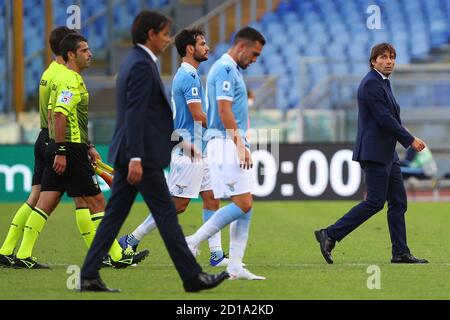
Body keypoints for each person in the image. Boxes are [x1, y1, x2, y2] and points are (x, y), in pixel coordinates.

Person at [79, 10, 228, 293]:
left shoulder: (138, 63)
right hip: (141, 155)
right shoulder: (141, 65)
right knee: (169, 212)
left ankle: (89, 274)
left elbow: (152, 115)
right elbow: (135, 114)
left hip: (138, 151)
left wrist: (179, 142)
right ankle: (192, 276)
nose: (167, 39)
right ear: (150, 34)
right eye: (164, 33)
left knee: (116, 216)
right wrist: (136, 155)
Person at [11, 33, 148, 269]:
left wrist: (80, 146)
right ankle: (116, 255)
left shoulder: (64, 76)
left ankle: (22, 253)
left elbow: (58, 114)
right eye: (84, 50)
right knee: (96, 200)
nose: (90, 53)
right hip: (70, 148)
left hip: (62, 144)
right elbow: (59, 115)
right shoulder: (70, 80)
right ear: (71, 54)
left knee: (49, 200)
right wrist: (64, 150)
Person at [117, 27, 231, 267]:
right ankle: (130, 240)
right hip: (188, 149)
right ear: (190, 49)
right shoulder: (188, 77)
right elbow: (198, 114)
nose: (207, 47)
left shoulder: (190, 75)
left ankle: (216, 254)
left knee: (211, 198)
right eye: (202, 43)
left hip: (199, 148)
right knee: (177, 205)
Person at [314, 43, 429, 264]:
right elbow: (384, 118)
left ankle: (400, 252)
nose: (389, 61)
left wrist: (404, 138)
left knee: (398, 202)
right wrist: (409, 139)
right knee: (375, 202)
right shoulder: (371, 84)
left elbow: (389, 118)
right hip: (375, 152)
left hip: (388, 153)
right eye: (383, 57)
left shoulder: (382, 83)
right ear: (373, 61)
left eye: (392, 57)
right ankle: (330, 234)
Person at [185, 26, 266, 280]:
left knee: (246, 204)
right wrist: (239, 145)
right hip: (224, 143)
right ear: (241, 47)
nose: (254, 60)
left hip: (231, 142)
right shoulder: (226, 69)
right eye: (254, 54)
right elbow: (223, 110)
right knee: (243, 203)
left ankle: (235, 266)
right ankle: (193, 240)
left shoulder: (232, 70)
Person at [0, 27, 75, 268]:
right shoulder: (63, 76)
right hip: (55, 139)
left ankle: (7, 249)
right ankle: (23, 254)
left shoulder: (47, 72)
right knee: (51, 201)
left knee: (35, 196)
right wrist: (62, 147)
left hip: (42, 138)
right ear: (67, 47)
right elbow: (58, 113)